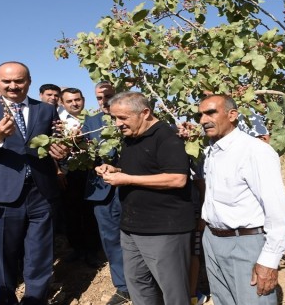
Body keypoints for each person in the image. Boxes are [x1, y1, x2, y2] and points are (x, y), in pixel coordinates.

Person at [0, 61, 68, 305]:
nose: (13, 86)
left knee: (40, 252)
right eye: (7, 81)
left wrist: (61, 149)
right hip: (1, 195)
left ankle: (35, 299)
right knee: (3, 255)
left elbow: (57, 141)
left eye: (19, 81)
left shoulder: (46, 110)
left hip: (41, 192)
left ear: (29, 81)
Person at [96, 91, 194, 305]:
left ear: (146, 112)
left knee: (173, 290)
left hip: (163, 229)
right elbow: (144, 169)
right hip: (132, 226)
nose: (117, 123)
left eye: (123, 117)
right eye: (114, 118)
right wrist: (115, 169)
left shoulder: (166, 137)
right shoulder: (132, 137)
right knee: (137, 283)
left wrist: (127, 179)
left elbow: (177, 179)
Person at [197, 94, 285, 305]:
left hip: (245, 244)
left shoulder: (255, 151)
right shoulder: (211, 151)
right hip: (213, 240)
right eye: (200, 115)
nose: (203, 120)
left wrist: (269, 261)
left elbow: (277, 212)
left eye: (210, 112)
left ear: (232, 115)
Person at [81, 81, 130, 304]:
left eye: (108, 96)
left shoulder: (133, 116)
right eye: (99, 98)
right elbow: (86, 157)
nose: (103, 102)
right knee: (111, 239)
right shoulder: (90, 122)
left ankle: (146, 281)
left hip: (132, 187)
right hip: (102, 190)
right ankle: (123, 286)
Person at [58, 87, 101, 267]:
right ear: (62, 103)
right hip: (69, 172)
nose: (74, 103)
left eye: (77, 99)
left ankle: (93, 250)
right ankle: (77, 248)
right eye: (70, 101)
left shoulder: (93, 120)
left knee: (90, 211)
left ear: (83, 99)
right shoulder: (57, 122)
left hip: (91, 170)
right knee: (71, 212)